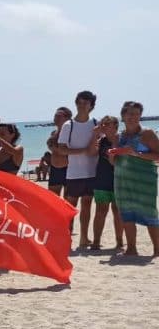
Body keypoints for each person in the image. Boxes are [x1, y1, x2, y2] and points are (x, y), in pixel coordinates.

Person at [112, 101, 159, 257]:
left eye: (137, 114)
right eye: (130, 114)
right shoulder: (118, 136)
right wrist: (112, 157)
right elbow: (114, 162)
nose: (134, 117)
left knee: (149, 212)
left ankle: (157, 249)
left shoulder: (147, 133)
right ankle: (131, 248)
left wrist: (136, 154)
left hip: (144, 181)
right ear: (123, 115)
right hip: (122, 180)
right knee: (126, 213)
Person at [57, 91, 99, 248]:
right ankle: (66, 238)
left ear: (91, 106)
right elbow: (61, 149)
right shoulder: (69, 125)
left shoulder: (96, 123)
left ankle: (84, 238)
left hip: (92, 172)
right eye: (79, 102)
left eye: (86, 103)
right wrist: (83, 151)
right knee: (70, 208)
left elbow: (100, 146)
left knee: (87, 206)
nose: (82, 106)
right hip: (74, 173)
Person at [89, 115, 124, 251]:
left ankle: (120, 242)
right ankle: (96, 241)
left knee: (118, 211)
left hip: (119, 180)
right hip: (102, 179)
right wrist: (94, 135)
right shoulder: (101, 140)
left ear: (115, 126)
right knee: (100, 211)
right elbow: (92, 152)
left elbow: (116, 161)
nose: (104, 126)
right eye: (103, 123)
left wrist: (114, 140)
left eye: (107, 124)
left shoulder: (122, 140)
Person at [46, 107, 73, 196]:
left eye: (59, 116)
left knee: (68, 200)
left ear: (67, 118)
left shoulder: (71, 133)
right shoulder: (54, 133)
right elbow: (52, 148)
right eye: (55, 116)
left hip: (68, 168)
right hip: (54, 169)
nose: (55, 118)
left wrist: (56, 148)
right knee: (53, 199)